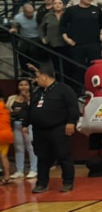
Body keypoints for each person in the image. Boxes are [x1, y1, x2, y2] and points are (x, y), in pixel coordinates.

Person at [30, 63, 80, 194]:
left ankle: (68, 182)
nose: (36, 80)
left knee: (64, 156)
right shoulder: (37, 92)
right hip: (40, 131)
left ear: (45, 77)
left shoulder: (64, 90)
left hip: (58, 128)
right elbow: (31, 109)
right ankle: (41, 183)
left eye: (38, 77)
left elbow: (73, 107)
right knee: (42, 157)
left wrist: (71, 122)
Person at [7, 79, 34, 182]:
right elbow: (7, 110)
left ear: (29, 86)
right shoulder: (12, 98)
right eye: (21, 85)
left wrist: (27, 98)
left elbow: (33, 109)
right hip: (16, 125)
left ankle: (34, 169)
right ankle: (19, 170)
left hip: (28, 125)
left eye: (26, 85)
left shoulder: (33, 97)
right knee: (18, 148)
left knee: (31, 147)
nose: (23, 87)